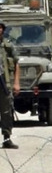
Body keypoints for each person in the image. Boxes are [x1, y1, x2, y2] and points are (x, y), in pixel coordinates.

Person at [0, 20, 20, 149]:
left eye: (1, 28)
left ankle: (6, 137)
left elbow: (17, 63)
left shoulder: (8, 46)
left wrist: (16, 83)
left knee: (6, 112)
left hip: (3, 83)